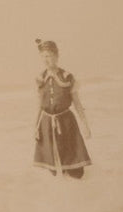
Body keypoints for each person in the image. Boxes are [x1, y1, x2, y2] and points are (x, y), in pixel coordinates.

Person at [33, 39, 91, 178]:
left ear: (57, 56)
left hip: (66, 123)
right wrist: (36, 127)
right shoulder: (40, 78)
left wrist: (85, 126)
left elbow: (77, 103)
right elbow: (39, 105)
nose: (46, 60)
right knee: (54, 170)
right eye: (43, 56)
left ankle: (83, 193)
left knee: (75, 168)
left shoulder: (67, 77)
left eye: (49, 56)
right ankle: (60, 195)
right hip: (47, 124)